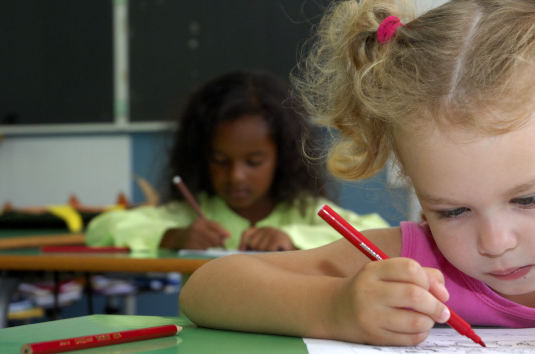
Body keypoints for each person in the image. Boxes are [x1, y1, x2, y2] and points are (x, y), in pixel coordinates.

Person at [179, 0, 535, 352]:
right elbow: (208, 288)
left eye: (527, 198)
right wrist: (335, 308)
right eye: (451, 211)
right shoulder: (411, 263)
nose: (495, 242)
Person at [86, 70, 389, 252]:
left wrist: (292, 238)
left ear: (281, 158)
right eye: (219, 160)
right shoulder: (194, 215)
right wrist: (173, 236)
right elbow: (99, 230)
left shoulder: (303, 212)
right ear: (201, 157)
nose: (236, 177)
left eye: (254, 161)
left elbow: (379, 234)